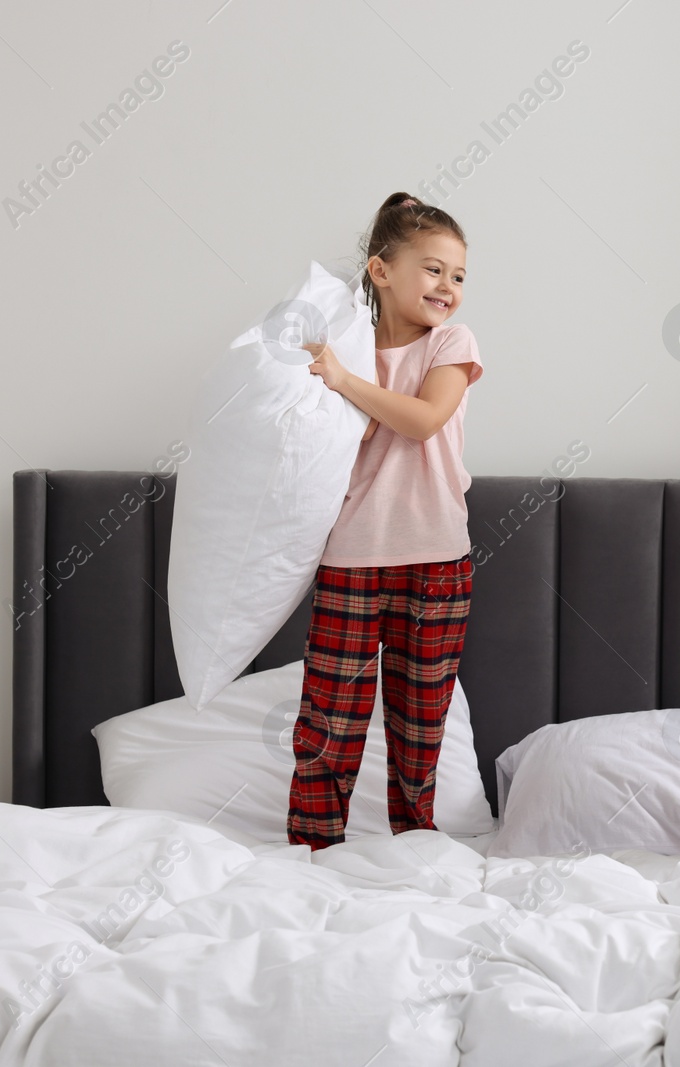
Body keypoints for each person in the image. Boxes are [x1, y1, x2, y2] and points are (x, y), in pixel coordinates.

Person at [287, 192, 482, 850]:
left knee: (419, 727)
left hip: (436, 564)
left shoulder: (452, 343)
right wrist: (335, 373)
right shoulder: (349, 350)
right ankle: (313, 852)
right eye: (432, 269)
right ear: (381, 271)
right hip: (351, 559)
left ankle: (415, 849)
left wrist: (343, 381)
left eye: (457, 275)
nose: (447, 287)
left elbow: (424, 419)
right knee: (329, 724)